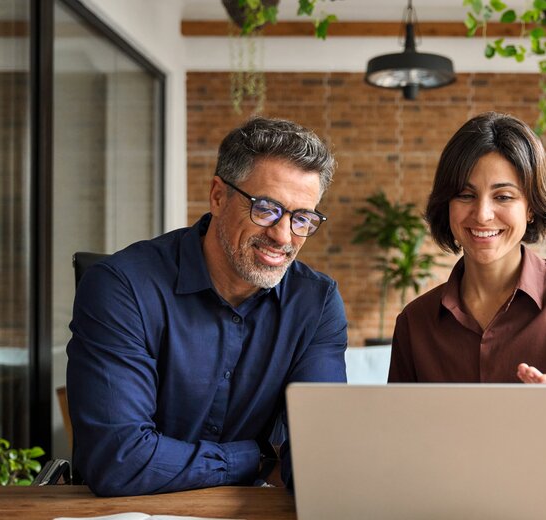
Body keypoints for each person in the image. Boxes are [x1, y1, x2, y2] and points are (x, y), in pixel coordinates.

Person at [66, 117, 347, 496]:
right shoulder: (122, 287)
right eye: (266, 209)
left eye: (303, 219)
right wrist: (256, 459)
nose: (283, 236)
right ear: (218, 196)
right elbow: (118, 461)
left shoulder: (315, 303)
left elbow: (321, 458)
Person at [388, 112, 546, 487]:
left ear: (530, 206)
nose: (482, 213)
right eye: (465, 194)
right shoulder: (416, 322)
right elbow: (399, 447)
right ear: (447, 205)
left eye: (503, 196)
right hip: (455, 504)